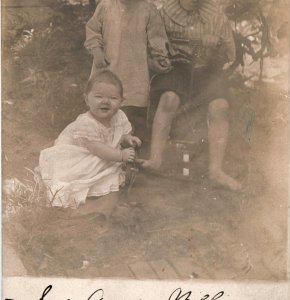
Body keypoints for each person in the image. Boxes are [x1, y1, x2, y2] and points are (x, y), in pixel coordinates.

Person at [142, 0, 241, 191]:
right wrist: (160, 57)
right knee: (169, 98)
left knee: (220, 106)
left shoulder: (216, 16)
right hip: (176, 67)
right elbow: (152, 47)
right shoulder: (164, 15)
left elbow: (230, 55)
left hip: (207, 70)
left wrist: (215, 45)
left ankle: (216, 170)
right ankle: (156, 159)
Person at [39, 70, 141, 220]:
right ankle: (88, 204)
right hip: (78, 157)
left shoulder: (119, 116)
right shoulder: (86, 123)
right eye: (98, 97)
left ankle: (101, 198)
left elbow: (120, 134)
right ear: (87, 100)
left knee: (109, 168)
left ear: (121, 101)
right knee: (99, 171)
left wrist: (127, 139)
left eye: (113, 98)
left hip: (101, 154)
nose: (105, 102)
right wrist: (120, 155)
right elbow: (97, 148)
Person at [84, 0, 171, 141]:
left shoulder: (147, 9)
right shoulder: (105, 6)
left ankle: (131, 154)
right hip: (108, 67)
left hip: (135, 72)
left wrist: (159, 57)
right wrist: (96, 51)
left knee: (134, 114)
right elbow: (93, 30)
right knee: (104, 110)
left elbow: (157, 38)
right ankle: (104, 151)